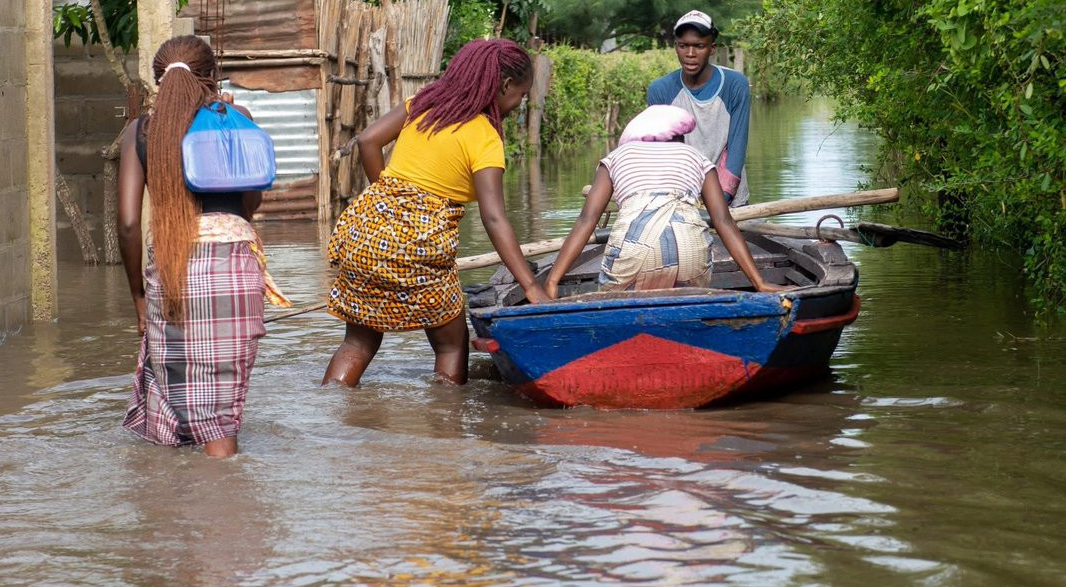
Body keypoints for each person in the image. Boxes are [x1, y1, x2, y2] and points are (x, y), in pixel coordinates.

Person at [322, 37, 549, 388]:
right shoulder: (484, 136)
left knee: (359, 341)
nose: (520, 103)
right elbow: (493, 218)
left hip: (364, 229)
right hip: (418, 243)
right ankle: (446, 416)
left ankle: (330, 404)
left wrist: (390, 200)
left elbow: (367, 140)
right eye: (521, 94)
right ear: (505, 85)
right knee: (451, 343)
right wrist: (532, 286)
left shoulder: (423, 104)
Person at [117, 36, 289, 458]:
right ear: (212, 76)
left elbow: (129, 223)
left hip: (173, 268)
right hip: (235, 264)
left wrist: (138, 297)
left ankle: (188, 495)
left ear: (158, 80)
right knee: (220, 416)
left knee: (173, 400)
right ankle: (224, 490)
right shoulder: (238, 118)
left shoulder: (141, 131)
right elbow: (251, 204)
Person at [541, 104, 785, 297]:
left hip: (631, 258)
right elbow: (723, 221)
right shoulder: (697, 157)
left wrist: (552, 281)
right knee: (693, 262)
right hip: (691, 259)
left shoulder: (615, 157)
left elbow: (587, 220)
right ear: (679, 137)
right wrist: (759, 282)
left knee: (612, 289)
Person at [647, 9, 751, 207]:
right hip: (680, 199)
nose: (690, 54)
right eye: (683, 46)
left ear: (712, 48)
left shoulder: (735, 85)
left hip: (729, 199)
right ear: (676, 47)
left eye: (699, 46)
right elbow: (662, 154)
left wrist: (720, 200)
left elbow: (736, 147)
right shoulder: (660, 90)